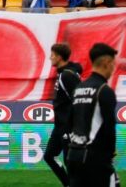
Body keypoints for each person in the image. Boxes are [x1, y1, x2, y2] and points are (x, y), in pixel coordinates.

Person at [66, 43, 119, 187]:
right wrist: (110, 154)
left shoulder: (79, 88)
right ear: (106, 63)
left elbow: (70, 121)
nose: (114, 68)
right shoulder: (104, 90)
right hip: (94, 158)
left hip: (74, 155)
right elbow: (109, 127)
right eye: (113, 64)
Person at [44, 44, 82, 187]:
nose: (50, 58)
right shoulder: (63, 74)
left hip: (68, 127)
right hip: (59, 126)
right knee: (49, 156)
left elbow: (79, 101)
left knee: (70, 163)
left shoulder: (67, 76)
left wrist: (75, 126)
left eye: (52, 55)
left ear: (59, 57)